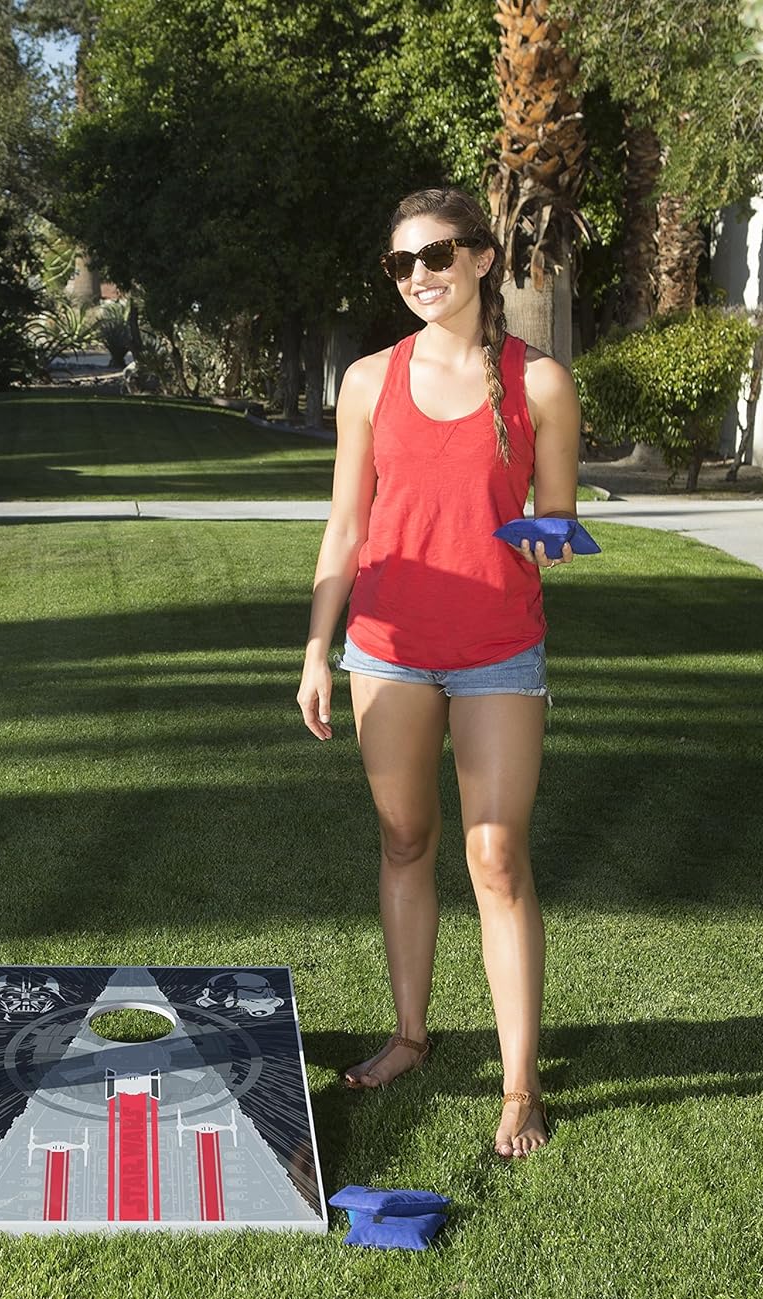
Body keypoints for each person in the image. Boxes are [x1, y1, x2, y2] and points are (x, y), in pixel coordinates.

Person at [296, 186, 582, 1159]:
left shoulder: (539, 383)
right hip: (386, 645)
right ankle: (411, 1035)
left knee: (496, 855)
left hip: (499, 643)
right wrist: (316, 647)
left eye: (440, 255)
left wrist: (543, 540)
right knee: (405, 838)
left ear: (484, 259)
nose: (421, 275)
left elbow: (555, 519)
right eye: (403, 262)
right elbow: (345, 523)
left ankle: (518, 1084)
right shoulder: (370, 381)